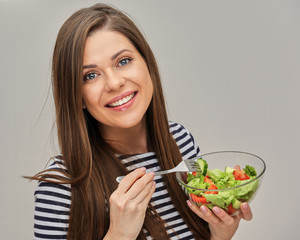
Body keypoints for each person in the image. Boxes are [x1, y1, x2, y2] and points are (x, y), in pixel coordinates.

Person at [30, 3, 253, 240]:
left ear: (147, 63)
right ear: (78, 96)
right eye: (90, 76)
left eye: (123, 61)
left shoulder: (181, 140)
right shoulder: (60, 187)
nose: (114, 83)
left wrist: (220, 233)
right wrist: (120, 234)